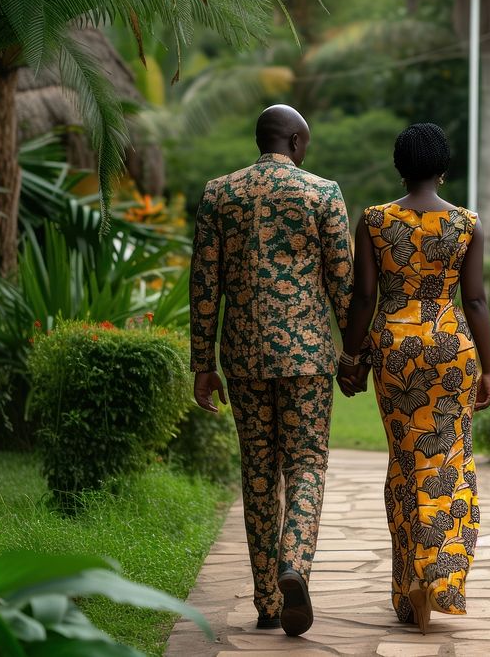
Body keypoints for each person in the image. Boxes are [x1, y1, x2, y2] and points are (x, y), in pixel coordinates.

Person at [189, 104, 353, 637]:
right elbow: (343, 286)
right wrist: (354, 356)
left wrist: (202, 364)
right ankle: (294, 564)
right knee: (306, 464)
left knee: (259, 473)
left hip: (243, 358)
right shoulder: (323, 193)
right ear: (297, 141)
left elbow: (203, 282)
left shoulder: (220, 193)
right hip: (307, 359)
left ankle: (267, 601)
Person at [336, 123, 490, 634]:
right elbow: (474, 301)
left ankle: (410, 588)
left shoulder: (376, 220)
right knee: (449, 457)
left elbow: (363, 297)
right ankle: (439, 575)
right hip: (451, 351)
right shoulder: (467, 223)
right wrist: (488, 368)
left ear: (399, 167)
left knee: (407, 463)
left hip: (396, 349)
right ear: (443, 170)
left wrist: (352, 356)